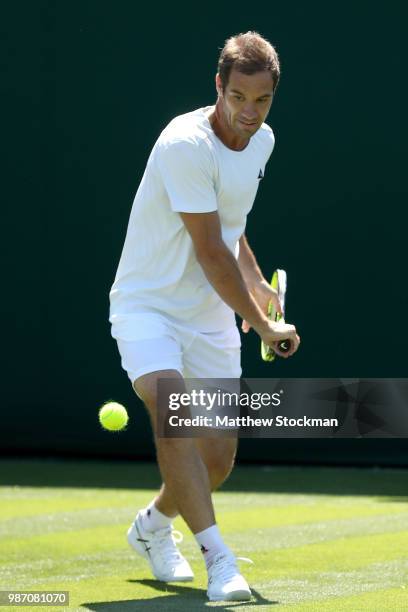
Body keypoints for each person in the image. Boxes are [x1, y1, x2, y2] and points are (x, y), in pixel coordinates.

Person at [109, 30, 300, 602]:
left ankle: (152, 526)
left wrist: (259, 286)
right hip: (148, 306)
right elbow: (208, 251)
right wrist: (264, 325)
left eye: (261, 100)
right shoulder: (184, 145)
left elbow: (231, 234)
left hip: (210, 314)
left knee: (216, 457)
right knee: (173, 411)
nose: (248, 112)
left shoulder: (262, 142)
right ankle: (221, 561)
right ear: (219, 86)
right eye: (238, 97)